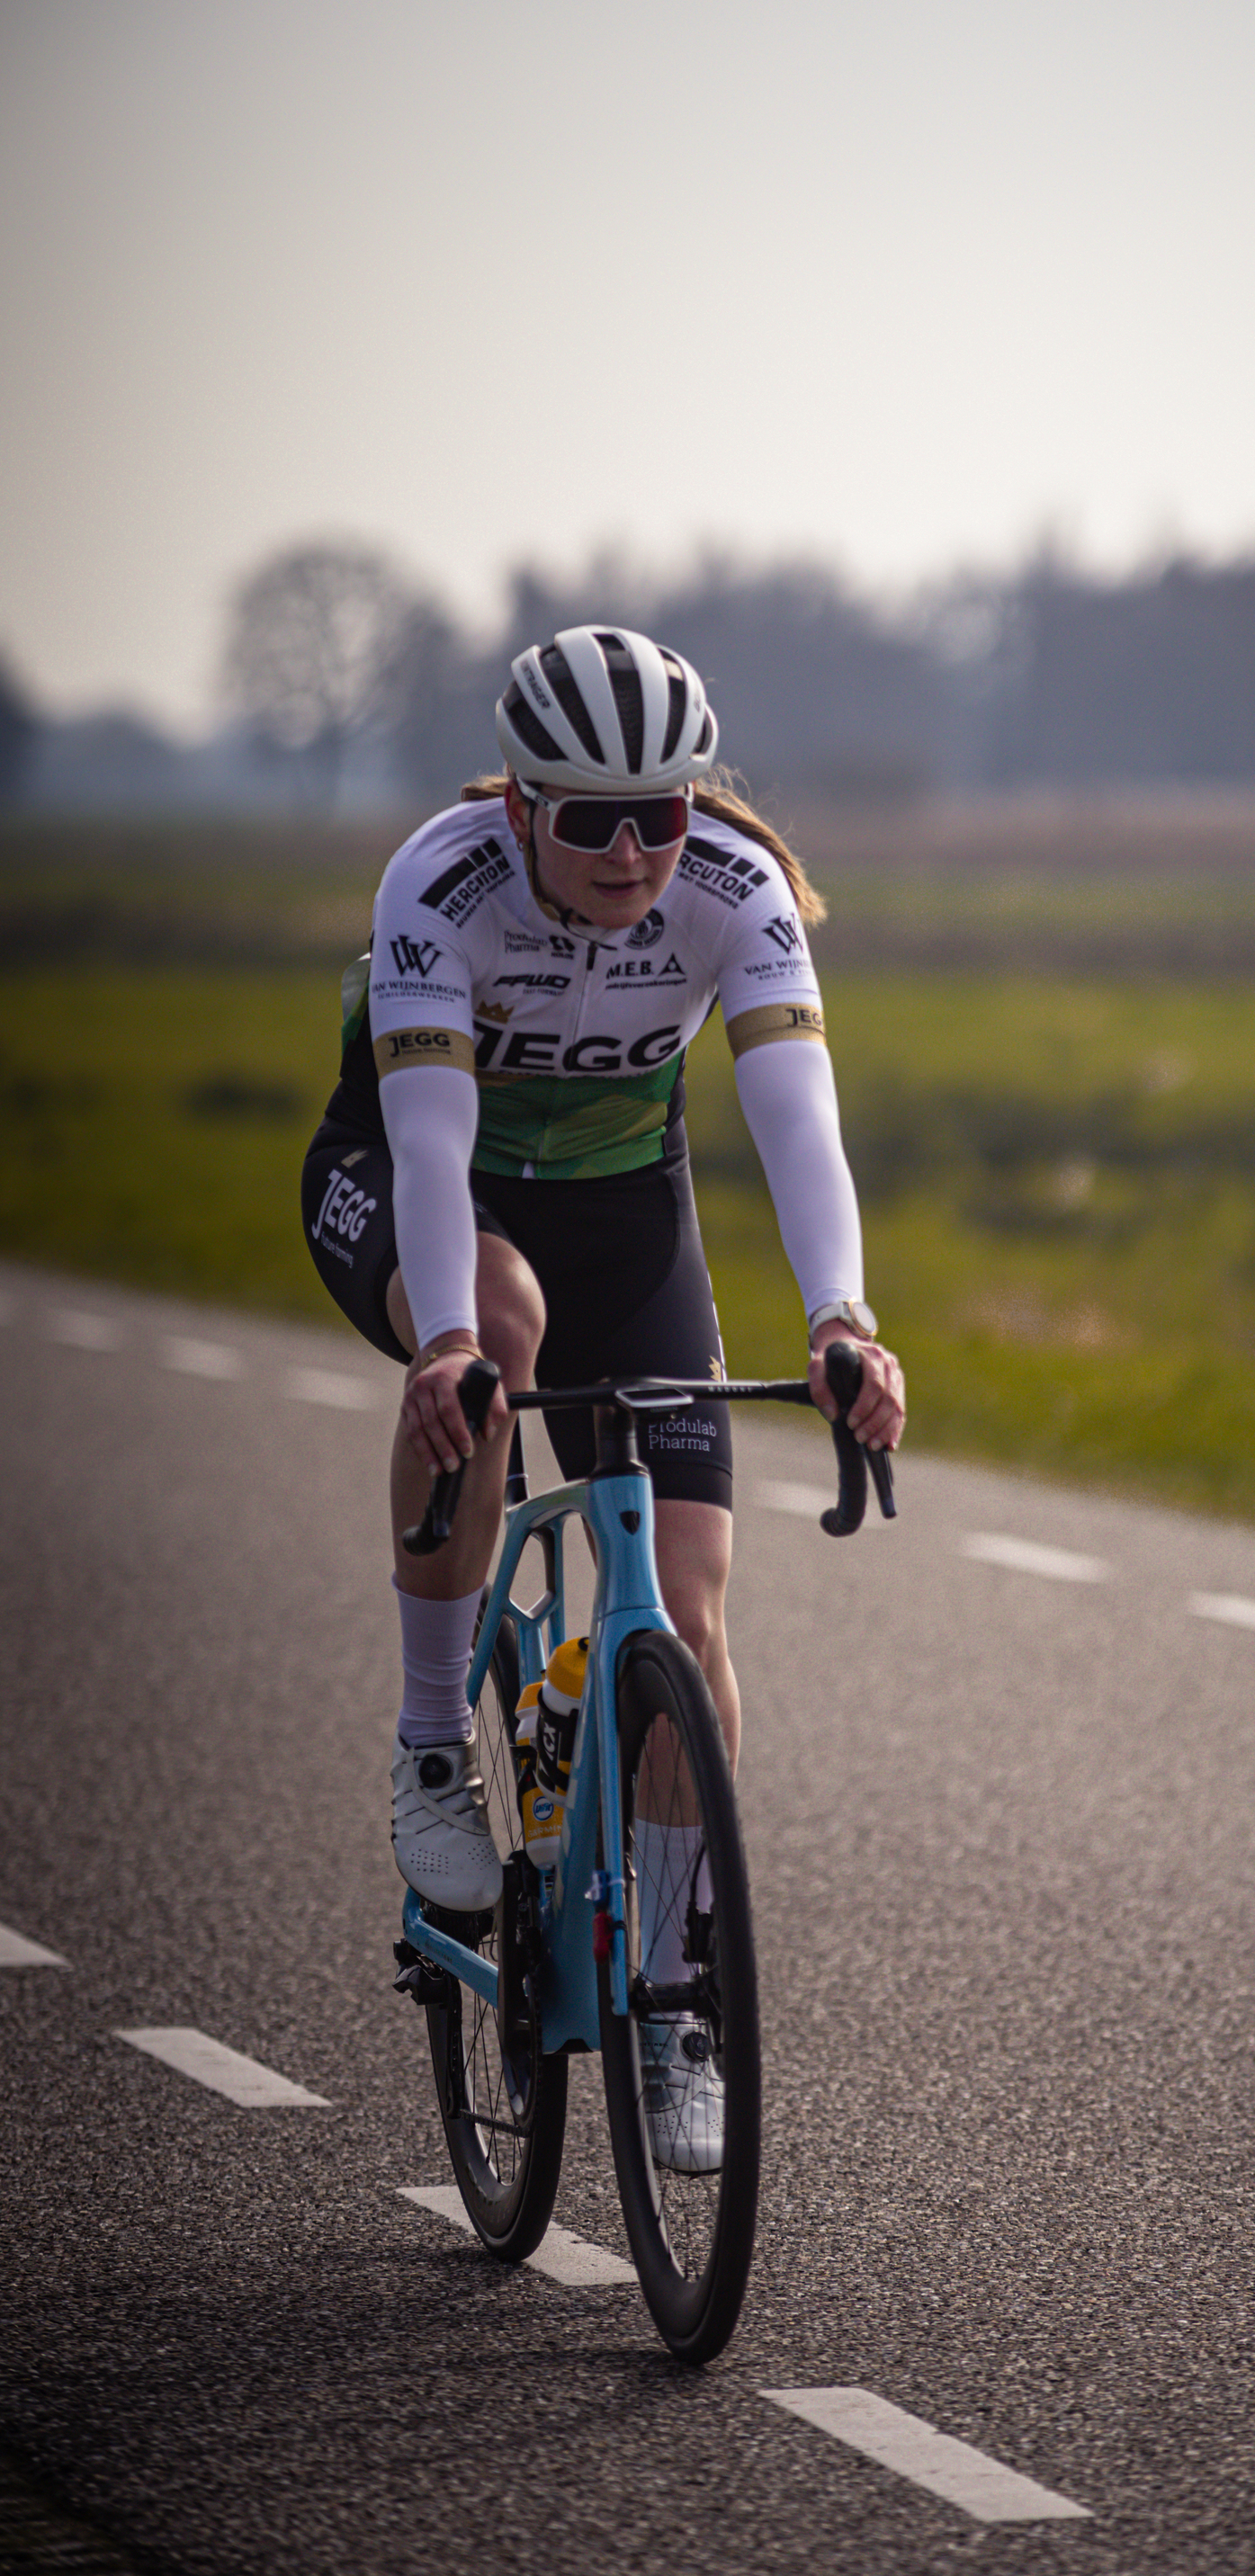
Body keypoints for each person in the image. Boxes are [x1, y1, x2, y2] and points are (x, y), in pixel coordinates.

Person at [301, 622, 905, 1936]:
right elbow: (428, 1136)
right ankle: (429, 1751)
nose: (632, 853)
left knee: (688, 1619)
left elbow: (800, 1118)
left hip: (629, 1216)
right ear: (519, 806)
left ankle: (682, 1998)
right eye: (590, 821)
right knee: (498, 1329)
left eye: (659, 815)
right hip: (433, 1188)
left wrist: (841, 1320)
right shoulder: (439, 883)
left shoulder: (733, 883)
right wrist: (449, 1337)